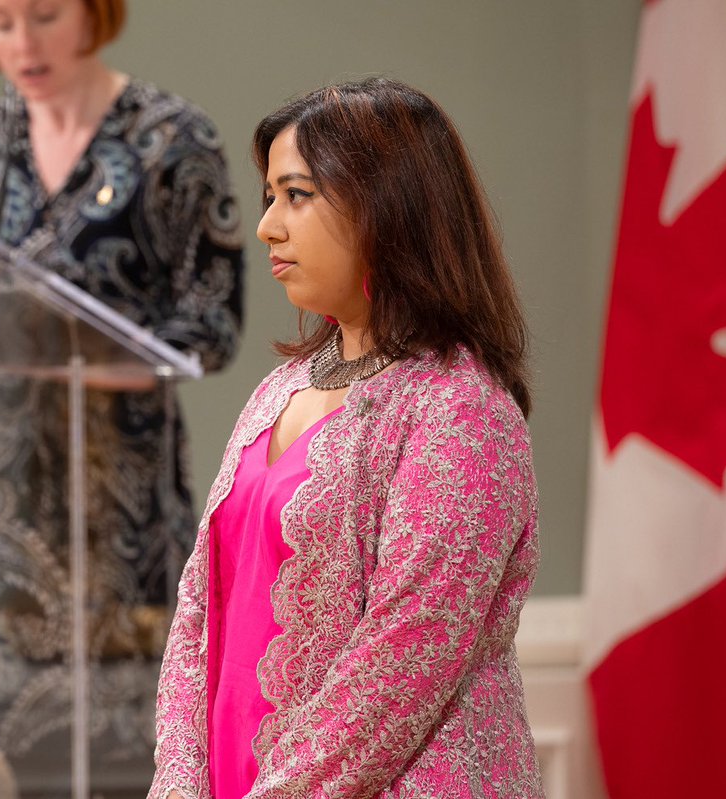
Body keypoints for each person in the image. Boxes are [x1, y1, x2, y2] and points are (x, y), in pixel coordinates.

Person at [150, 77, 543, 798]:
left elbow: (404, 657)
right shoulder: (280, 389)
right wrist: (178, 782)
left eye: (295, 195)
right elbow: (197, 614)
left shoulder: (461, 409)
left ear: (385, 206)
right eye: (271, 196)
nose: (268, 225)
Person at [0, 0, 245, 780]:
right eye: (0, 21)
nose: (22, 43)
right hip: (4, 492)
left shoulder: (174, 140)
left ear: (94, 12)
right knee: (29, 756)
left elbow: (213, 323)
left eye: (44, 15)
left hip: (120, 499)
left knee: (129, 754)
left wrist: (88, 357)